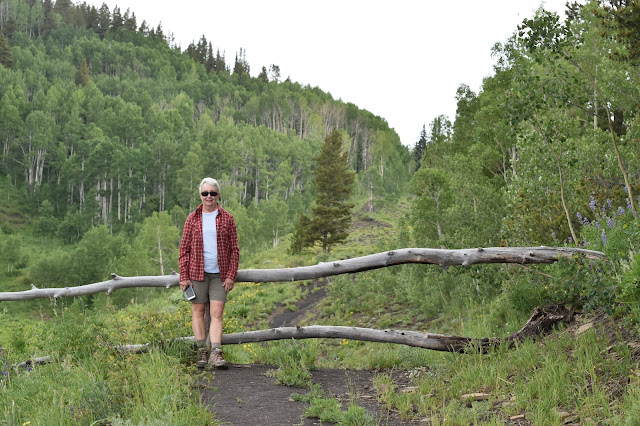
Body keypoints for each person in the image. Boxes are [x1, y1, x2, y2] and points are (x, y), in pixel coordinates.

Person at [178, 177, 239, 369]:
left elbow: (234, 250)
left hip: (220, 275)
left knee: (217, 313)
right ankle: (201, 351)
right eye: (205, 193)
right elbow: (184, 250)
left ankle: (216, 353)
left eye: (212, 193)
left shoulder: (227, 218)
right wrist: (184, 276)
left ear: (218, 194)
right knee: (198, 312)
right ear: (200, 195)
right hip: (197, 273)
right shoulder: (192, 218)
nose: (209, 196)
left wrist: (231, 275)